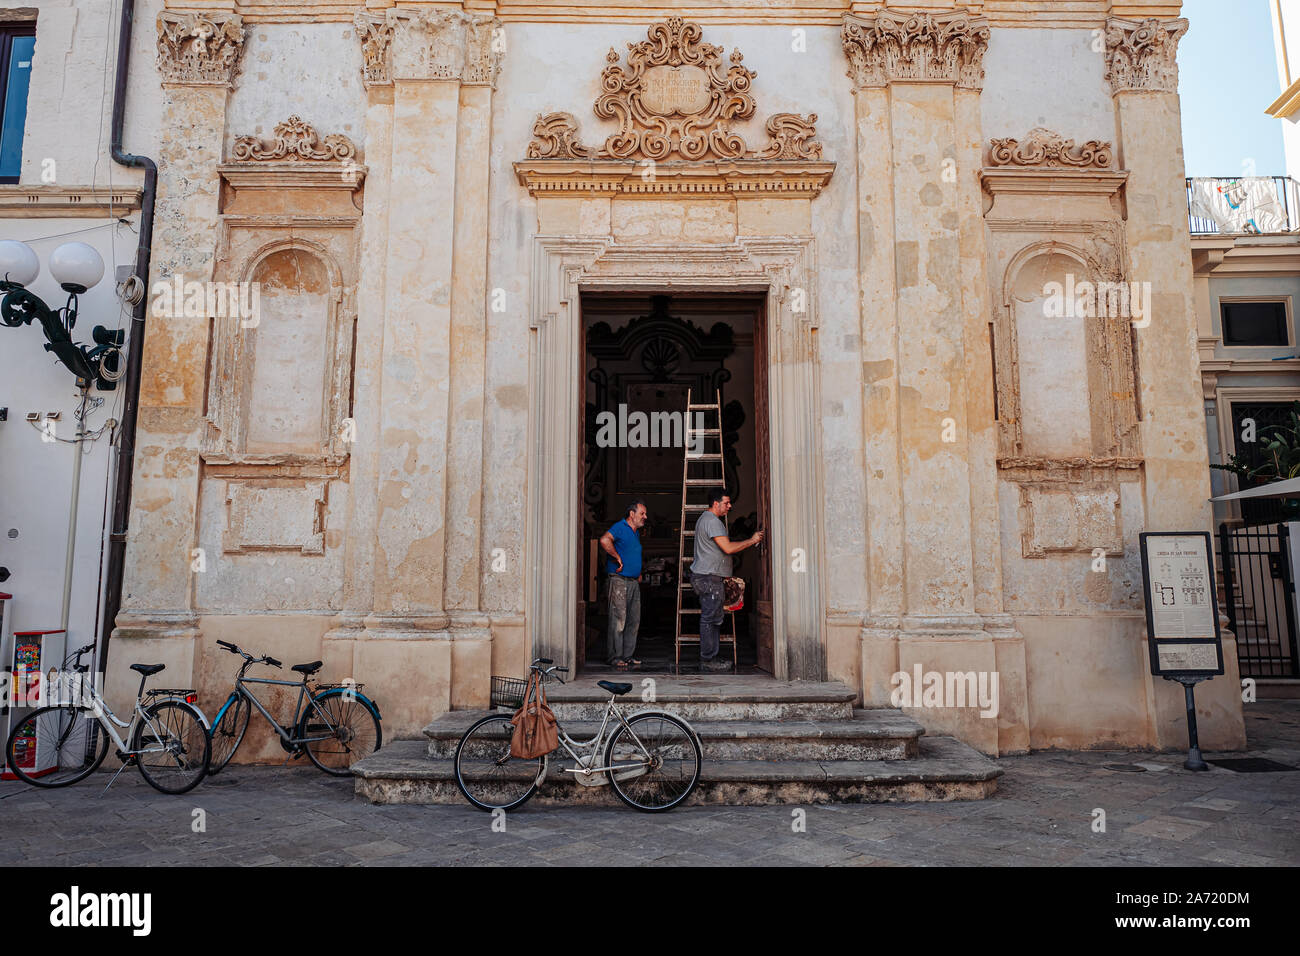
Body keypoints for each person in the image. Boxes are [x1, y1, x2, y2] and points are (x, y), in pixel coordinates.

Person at [692, 489, 763, 672]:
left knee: (714, 618)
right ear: (716, 504)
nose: (730, 506)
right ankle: (708, 660)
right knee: (710, 619)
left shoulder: (706, 519)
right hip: (709, 577)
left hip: (707, 576)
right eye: (726, 503)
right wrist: (752, 540)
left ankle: (711, 657)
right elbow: (728, 548)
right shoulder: (712, 521)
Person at [599, 500, 647, 669]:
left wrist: (638, 571)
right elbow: (605, 540)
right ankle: (615, 657)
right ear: (632, 514)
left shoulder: (635, 532)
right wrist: (616, 557)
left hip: (633, 581)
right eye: (642, 514)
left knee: (633, 620)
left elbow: (632, 552)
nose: (645, 517)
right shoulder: (620, 527)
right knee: (618, 620)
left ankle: (627, 656)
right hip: (619, 581)